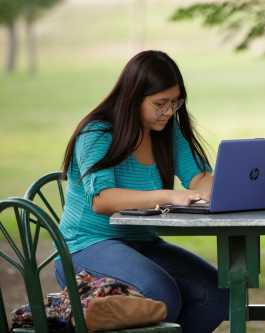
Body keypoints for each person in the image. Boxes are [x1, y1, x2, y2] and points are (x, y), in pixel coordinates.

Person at [56, 50, 228, 332]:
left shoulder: (167, 130)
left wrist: (227, 190)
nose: (169, 112)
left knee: (218, 293)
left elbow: (198, 178)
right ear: (133, 97)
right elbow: (103, 200)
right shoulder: (97, 134)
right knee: (161, 292)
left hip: (140, 242)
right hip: (85, 245)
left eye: (175, 102)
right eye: (160, 103)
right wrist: (168, 195)